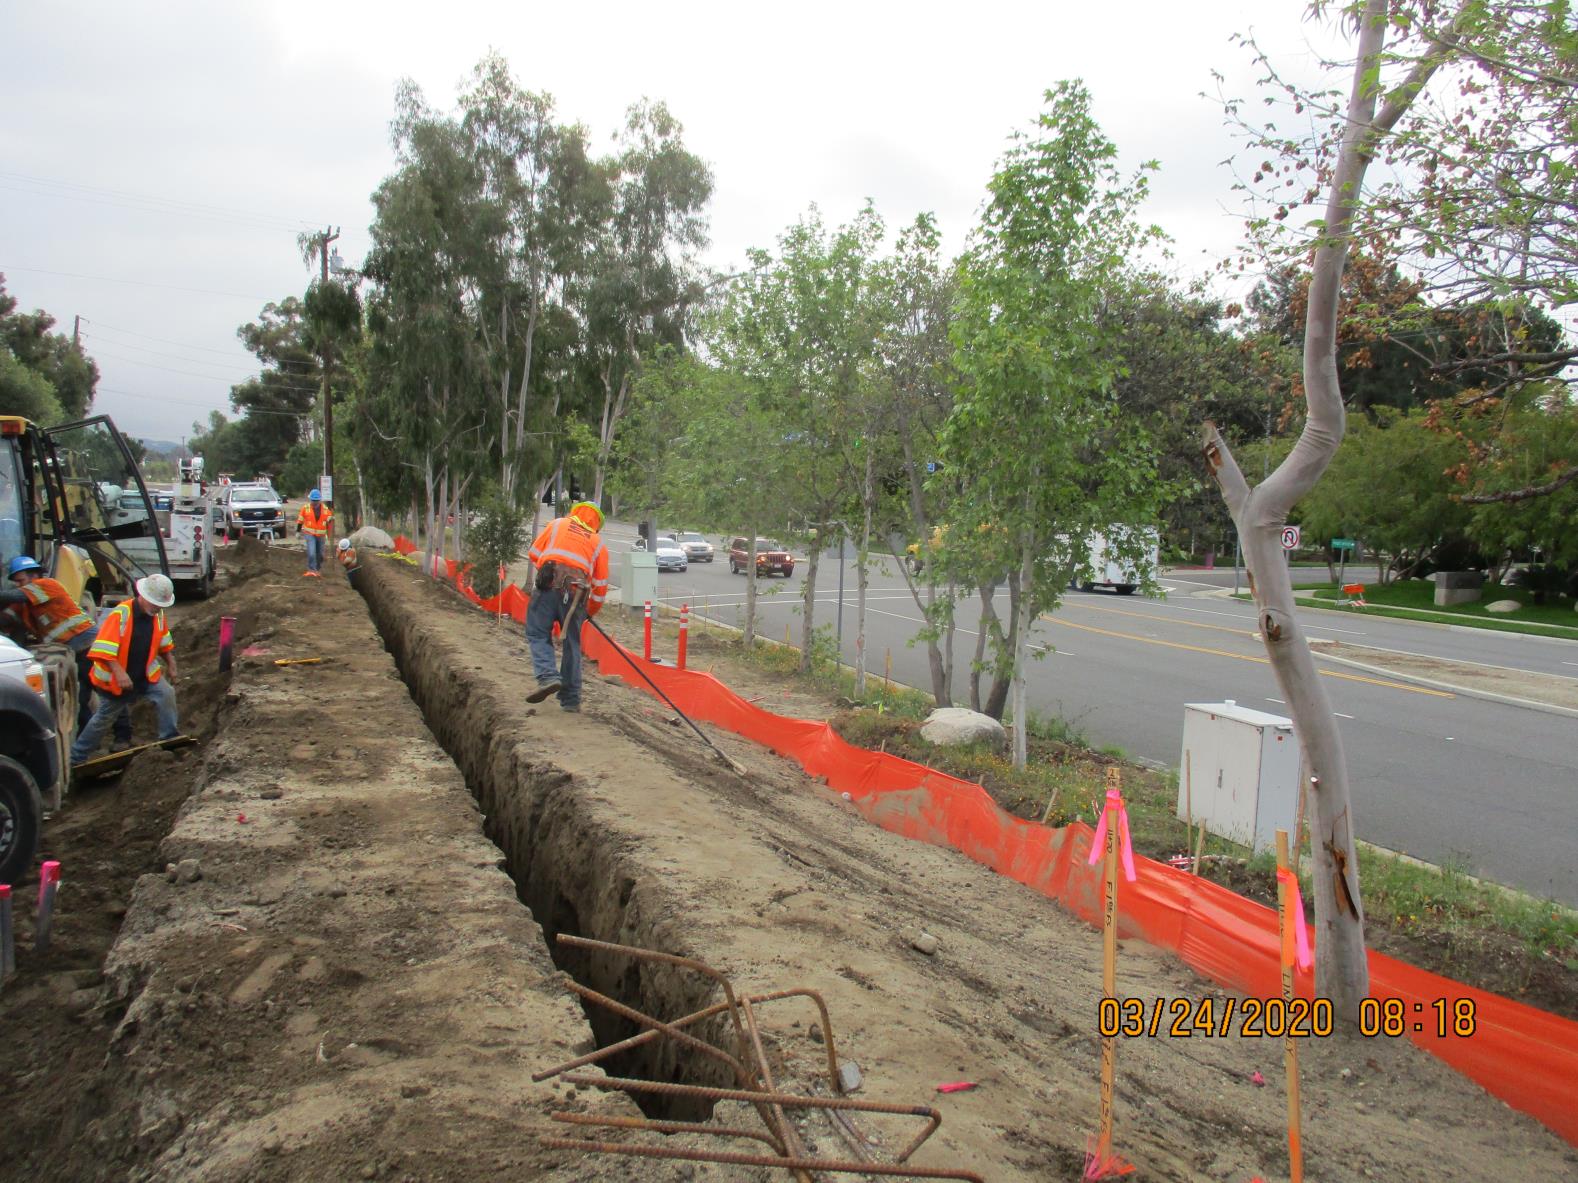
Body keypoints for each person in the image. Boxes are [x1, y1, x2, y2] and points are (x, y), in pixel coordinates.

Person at [70, 573, 181, 764]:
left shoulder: (157, 615)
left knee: (166, 694)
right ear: (144, 596)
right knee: (103, 719)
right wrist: (120, 673)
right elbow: (103, 649)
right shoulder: (121, 614)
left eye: (160, 606)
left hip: (145, 675)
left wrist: (171, 663)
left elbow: (163, 643)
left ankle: (169, 738)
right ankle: (76, 757)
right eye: (155, 604)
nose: (157, 609)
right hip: (115, 680)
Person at [524, 501, 609, 712]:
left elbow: (534, 552)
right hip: (576, 595)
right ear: (597, 523)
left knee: (537, 632)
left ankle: (547, 676)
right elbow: (600, 586)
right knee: (572, 644)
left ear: (575, 513)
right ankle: (571, 700)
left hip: (547, 585)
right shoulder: (598, 543)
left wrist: (549, 572)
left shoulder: (557, 524)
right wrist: (590, 612)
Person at [1, 554, 99, 733]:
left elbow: (13, 596)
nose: (18, 585)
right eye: (16, 582)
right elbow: (8, 619)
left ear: (34, 576)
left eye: (21, 580)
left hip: (87, 645)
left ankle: (121, 734)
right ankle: (87, 737)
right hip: (69, 650)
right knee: (79, 698)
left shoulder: (46, 586)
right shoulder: (25, 603)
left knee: (105, 689)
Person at [296, 489, 333, 577]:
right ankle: (311, 570)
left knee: (320, 554)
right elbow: (300, 520)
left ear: (319, 500)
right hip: (309, 534)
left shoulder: (325, 509)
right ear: (310, 500)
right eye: (313, 500)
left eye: (316, 501)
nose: (315, 502)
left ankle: (317, 568)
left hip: (321, 535)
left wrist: (331, 520)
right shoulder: (305, 508)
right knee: (312, 552)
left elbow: (329, 520)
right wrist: (298, 531)